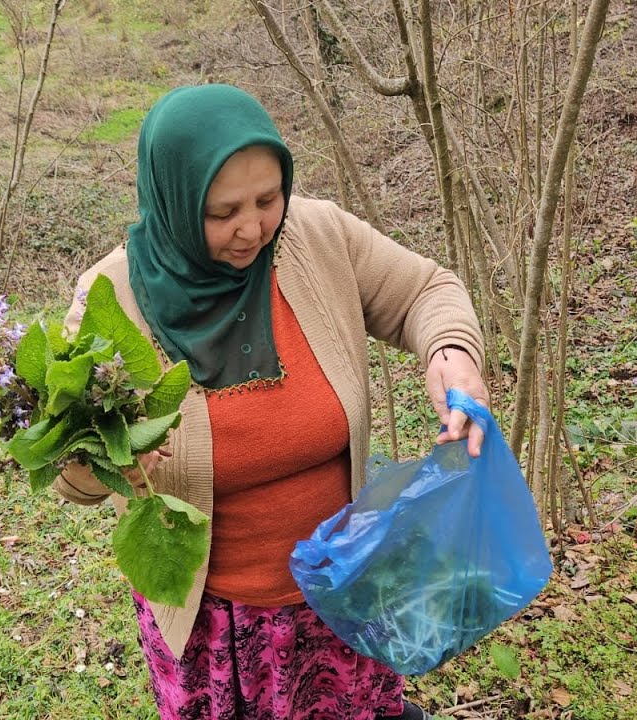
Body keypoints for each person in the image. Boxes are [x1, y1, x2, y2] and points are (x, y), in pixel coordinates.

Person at [53, 84, 489, 720]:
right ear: (174, 200)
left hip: (338, 589)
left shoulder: (317, 237)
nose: (253, 228)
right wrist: (110, 464)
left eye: (268, 198)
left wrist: (451, 352)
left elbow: (425, 290)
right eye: (223, 211)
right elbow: (68, 468)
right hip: (213, 626)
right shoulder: (109, 299)